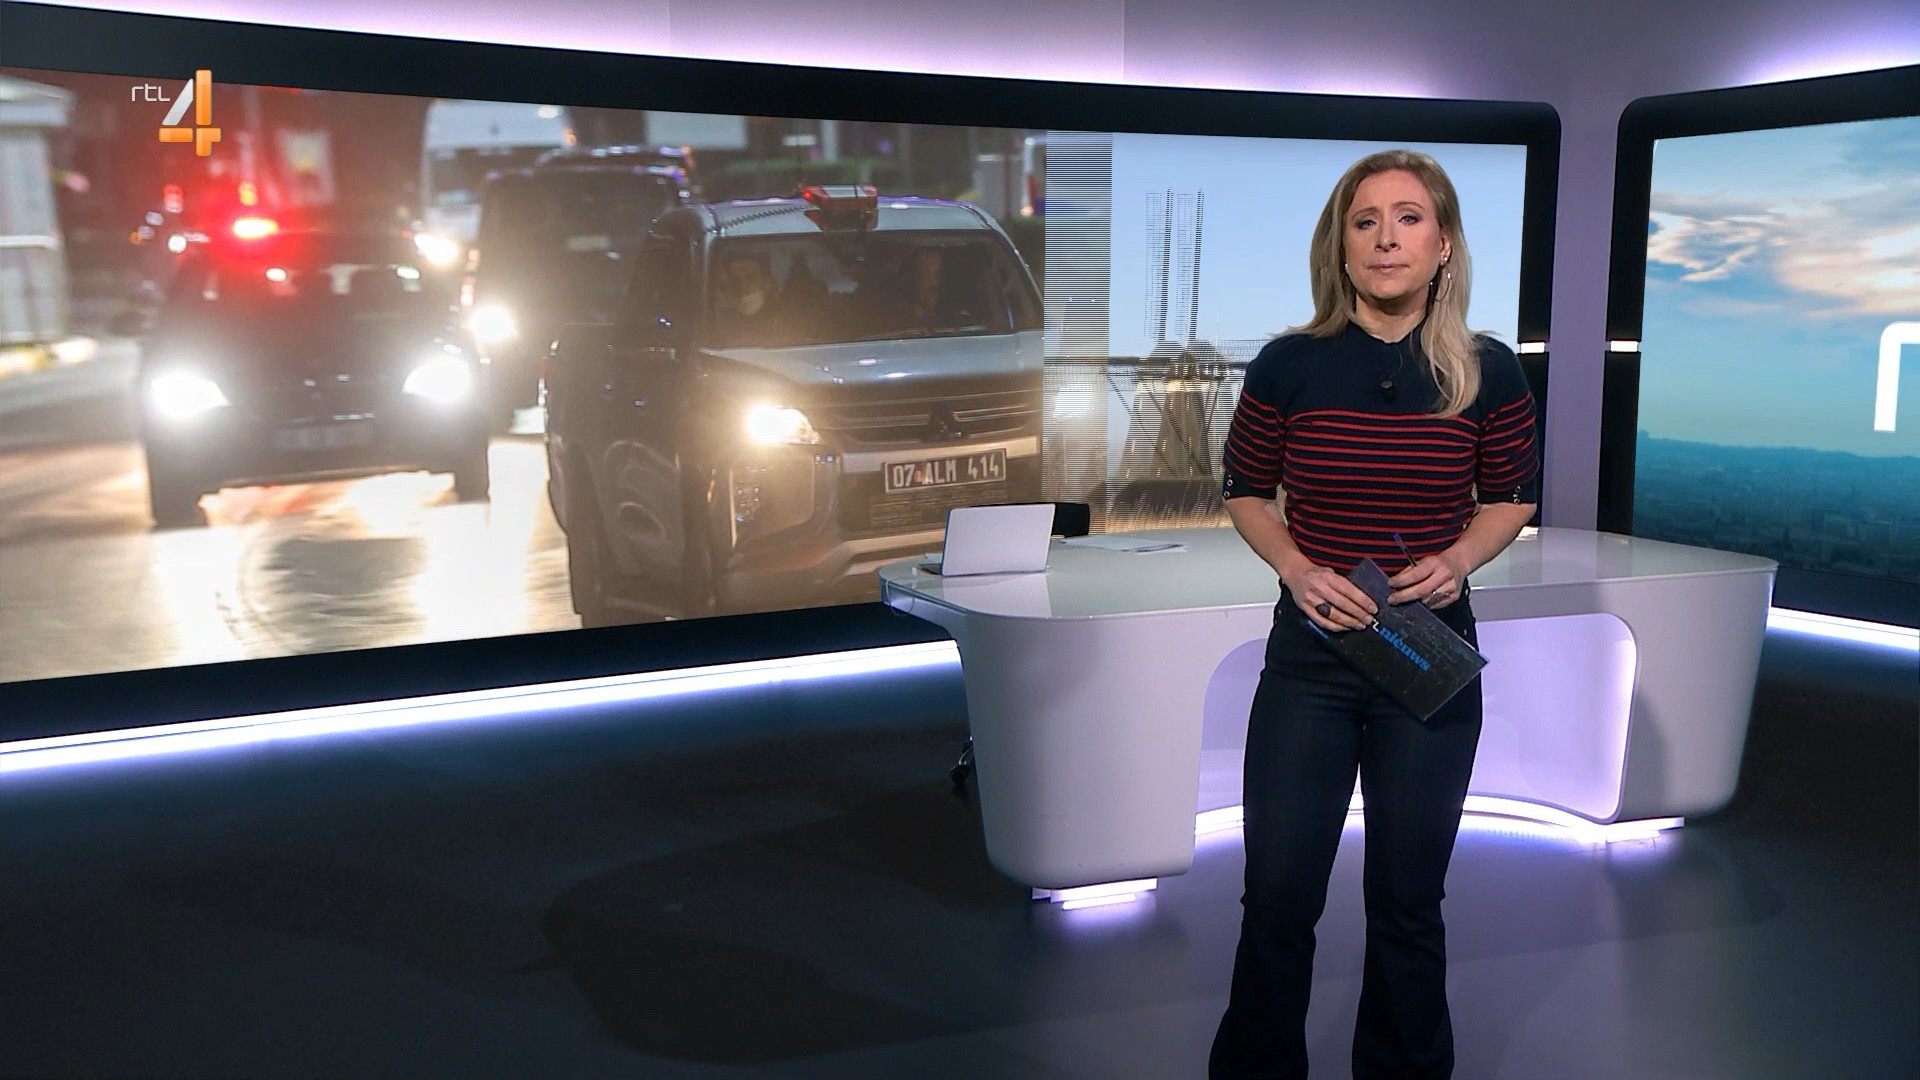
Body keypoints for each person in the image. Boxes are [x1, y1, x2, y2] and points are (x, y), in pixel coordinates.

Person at [1209, 149, 1540, 1080]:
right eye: (1365, 222)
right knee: (1278, 899)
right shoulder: (1290, 364)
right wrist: (1295, 567)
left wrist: (1460, 558)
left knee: (1407, 903)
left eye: (1408, 218)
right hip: (1312, 661)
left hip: (1426, 656)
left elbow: (1512, 495)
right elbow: (1245, 490)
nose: (1386, 238)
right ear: (1341, 247)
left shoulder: (1488, 370)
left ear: (1444, 245)